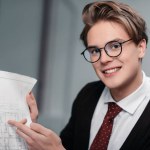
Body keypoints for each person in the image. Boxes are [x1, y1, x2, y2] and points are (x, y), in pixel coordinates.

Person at [8, 0, 150, 150]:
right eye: (95, 51)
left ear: (141, 48)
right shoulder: (88, 95)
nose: (103, 59)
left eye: (115, 46)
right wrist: (32, 131)